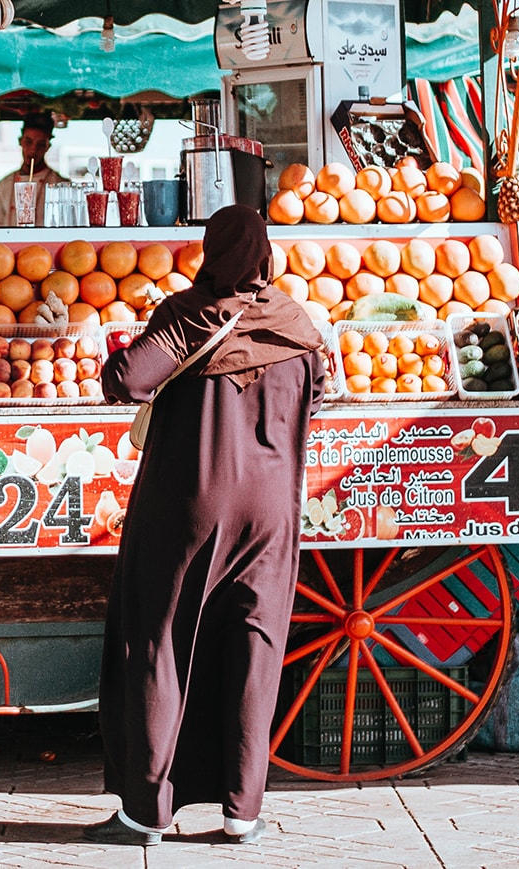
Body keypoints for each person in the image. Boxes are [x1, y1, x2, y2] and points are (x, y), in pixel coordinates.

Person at [86, 206, 326, 848]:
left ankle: (146, 812)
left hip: (189, 506)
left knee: (161, 640)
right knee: (255, 645)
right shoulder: (298, 322)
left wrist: (115, 349)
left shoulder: (191, 311)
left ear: (209, 249)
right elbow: (317, 391)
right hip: (273, 509)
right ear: (267, 254)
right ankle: (242, 812)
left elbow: (128, 381)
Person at [0, 112, 68, 227]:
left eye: (40, 144)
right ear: (20, 141)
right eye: (28, 141)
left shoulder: (60, 185)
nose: (33, 150)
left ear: (48, 147)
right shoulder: (4, 184)